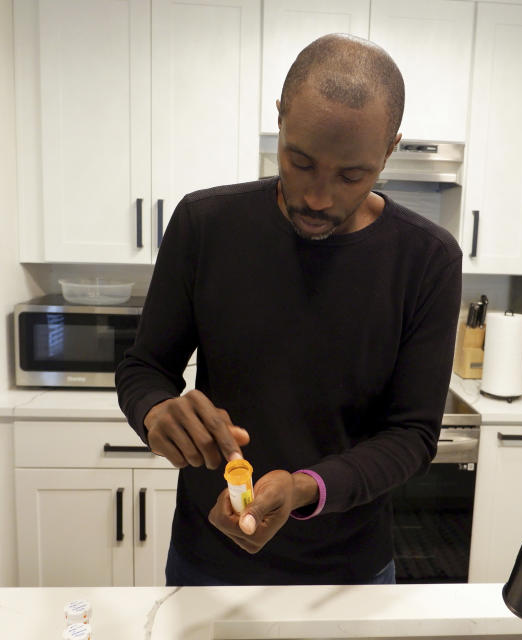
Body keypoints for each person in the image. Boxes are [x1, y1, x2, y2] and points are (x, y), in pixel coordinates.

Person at [115, 34, 462, 586]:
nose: (318, 197)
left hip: (349, 574)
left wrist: (305, 488)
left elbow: (412, 436)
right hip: (208, 561)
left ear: (390, 149)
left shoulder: (427, 259)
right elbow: (144, 369)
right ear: (279, 118)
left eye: (352, 175)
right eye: (299, 161)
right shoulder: (206, 225)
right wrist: (155, 412)